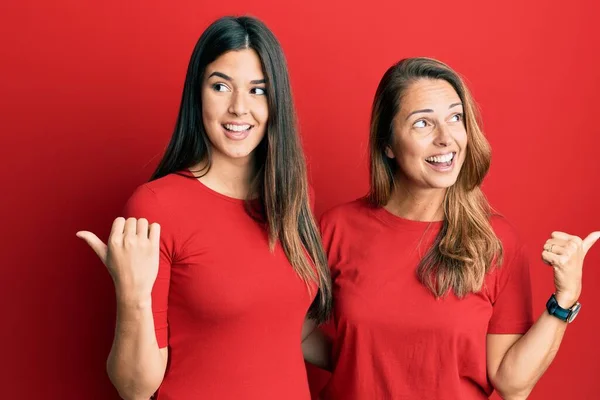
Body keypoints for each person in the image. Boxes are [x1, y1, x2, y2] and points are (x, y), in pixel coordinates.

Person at [312, 57, 599, 399]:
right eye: (423, 124)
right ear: (387, 144)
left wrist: (565, 299)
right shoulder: (337, 227)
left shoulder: (495, 241)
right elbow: (293, 332)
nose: (446, 138)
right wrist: (358, 359)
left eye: (455, 117)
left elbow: (511, 384)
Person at [76, 16, 332, 400]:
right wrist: (131, 292)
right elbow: (134, 388)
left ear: (277, 99)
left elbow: (285, 329)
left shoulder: (294, 196)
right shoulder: (156, 206)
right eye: (220, 86)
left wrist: (400, 351)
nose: (238, 108)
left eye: (258, 90)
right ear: (197, 93)